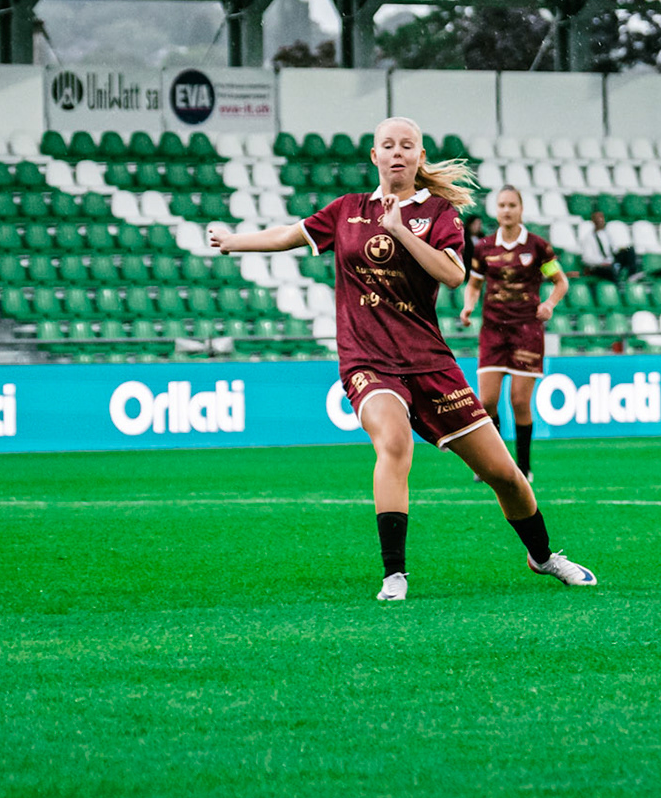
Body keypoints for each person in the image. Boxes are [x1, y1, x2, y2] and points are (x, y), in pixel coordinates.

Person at [210, 116, 596, 601]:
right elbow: (290, 234)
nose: (397, 152)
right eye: (387, 145)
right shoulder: (347, 210)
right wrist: (233, 241)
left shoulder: (439, 213)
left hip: (430, 363)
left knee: (506, 475)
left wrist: (400, 230)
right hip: (367, 360)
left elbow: (454, 277)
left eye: (406, 145)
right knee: (393, 442)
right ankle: (395, 574)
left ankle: (543, 557)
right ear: (374, 156)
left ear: (419, 157)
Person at [459, 186, 568, 480]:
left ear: (521, 209)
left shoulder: (538, 247)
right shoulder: (483, 247)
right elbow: (474, 284)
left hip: (526, 332)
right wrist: (468, 307)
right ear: (496, 210)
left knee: (519, 401)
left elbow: (561, 282)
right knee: (487, 402)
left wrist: (550, 303)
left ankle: (524, 466)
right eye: (502, 205)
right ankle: (494, 463)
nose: (506, 210)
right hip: (493, 331)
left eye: (511, 205)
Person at [575, 209, 640, 282]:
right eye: (597, 219)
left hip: (611, 261)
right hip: (599, 265)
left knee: (629, 249)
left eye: (601, 218)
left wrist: (621, 250)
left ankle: (631, 276)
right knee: (609, 270)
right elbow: (586, 258)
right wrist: (602, 263)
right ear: (593, 221)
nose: (600, 221)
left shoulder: (606, 234)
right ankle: (617, 286)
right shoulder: (588, 238)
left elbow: (611, 250)